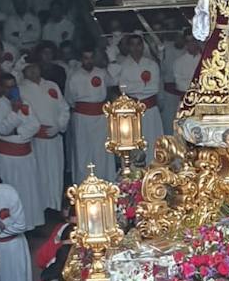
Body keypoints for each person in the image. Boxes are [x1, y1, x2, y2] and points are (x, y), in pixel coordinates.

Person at [0, 72, 44, 231]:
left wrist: (19, 132)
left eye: (14, 86)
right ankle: (15, 226)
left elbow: (35, 125)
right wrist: (13, 112)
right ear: (1, 88)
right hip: (8, 158)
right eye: (8, 87)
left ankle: (30, 225)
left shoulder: (24, 102)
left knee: (30, 191)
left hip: (26, 154)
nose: (12, 90)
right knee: (13, 191)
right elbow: (2, 129)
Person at [18, 59, 70, 211]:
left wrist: (59, 125)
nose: (33, 72)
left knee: (55, 173)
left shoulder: (51, 85)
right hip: (36, 140)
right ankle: (42, 209)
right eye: (29, 69)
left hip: (54, 138)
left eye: (35, 67)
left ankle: (55, 206)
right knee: (40, 175)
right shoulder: (21, 89)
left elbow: (64, 108)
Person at [108, 33, 163, 161]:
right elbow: (120, 86)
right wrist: (142, 87)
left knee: (152, 140)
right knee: (132, 144)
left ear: (143, 46)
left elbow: (154, 87)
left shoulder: (151, 65)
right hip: (130, 112)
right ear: (128, 47)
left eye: (139, 44)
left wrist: (132, 87)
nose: (136, 48)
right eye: (132, 45)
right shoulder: (122, 65)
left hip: (150, 110)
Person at [66, 46, 116, 183]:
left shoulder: (102, 73)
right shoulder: (74, 76)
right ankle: (83, 183)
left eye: (91, 58)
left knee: (102, 150)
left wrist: (112, 61)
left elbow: (114, 82)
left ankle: (106, 181)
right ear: (81, 59)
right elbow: (69, 99)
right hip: (82, 118)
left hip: (100, 117)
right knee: (83, 151)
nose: (88, 61)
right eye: (85, 58)